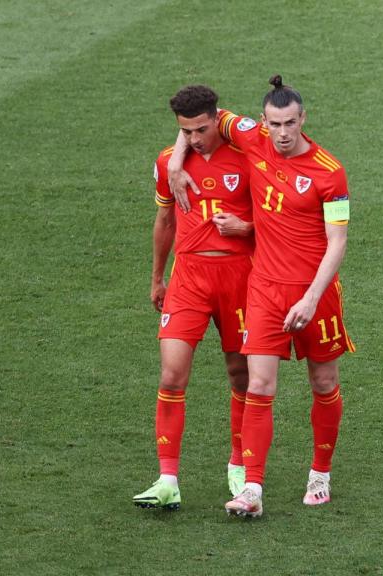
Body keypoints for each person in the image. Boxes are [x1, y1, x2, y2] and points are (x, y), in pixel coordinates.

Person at [168, 75, 354, 518]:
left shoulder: (330, 172)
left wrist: (310, 298)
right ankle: (252, 490)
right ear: (263, 122)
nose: (282, 133)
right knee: (259, 385)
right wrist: (176, 160)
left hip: (315, 294)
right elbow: (202, 117)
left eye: (290, 123)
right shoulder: (252, 138)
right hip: (265, 290)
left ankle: (320, 473)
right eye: (274, 124)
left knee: (323, 383)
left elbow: (338, 242)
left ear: (303, 119)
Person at [132, 85, 255, 511]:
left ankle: (239, 463)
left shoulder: (247, 155)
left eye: (202, 129)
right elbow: (165, 220)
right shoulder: (169, 161)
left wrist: (246, 228)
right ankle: (167, 480)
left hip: (241, 278)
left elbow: (280, 216)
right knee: (171, 375)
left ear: (217, 118)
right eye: (186, 131)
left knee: (241, 374)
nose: (195, 138)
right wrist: (157, 278)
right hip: (188, 278)